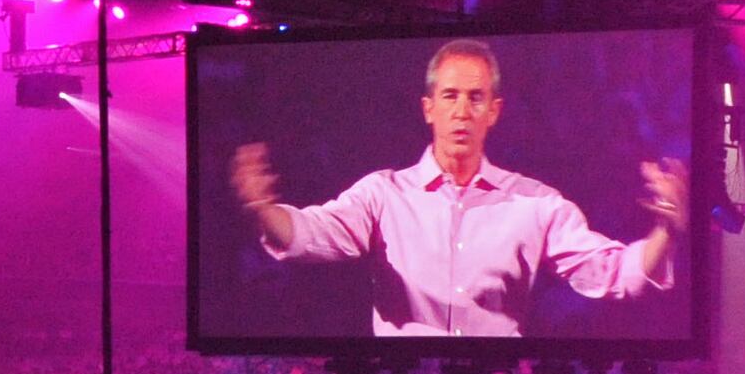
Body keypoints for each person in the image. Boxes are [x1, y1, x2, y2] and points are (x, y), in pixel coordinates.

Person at [230, 39, 684, 337]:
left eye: (475, 97)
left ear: (495, 110)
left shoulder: (536, 204)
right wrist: (263, 208)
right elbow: (310, 234)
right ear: (429, 108)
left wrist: (666, 230)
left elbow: (612, 273)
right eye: (450, 96)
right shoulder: (382, 195)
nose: (462, 111)